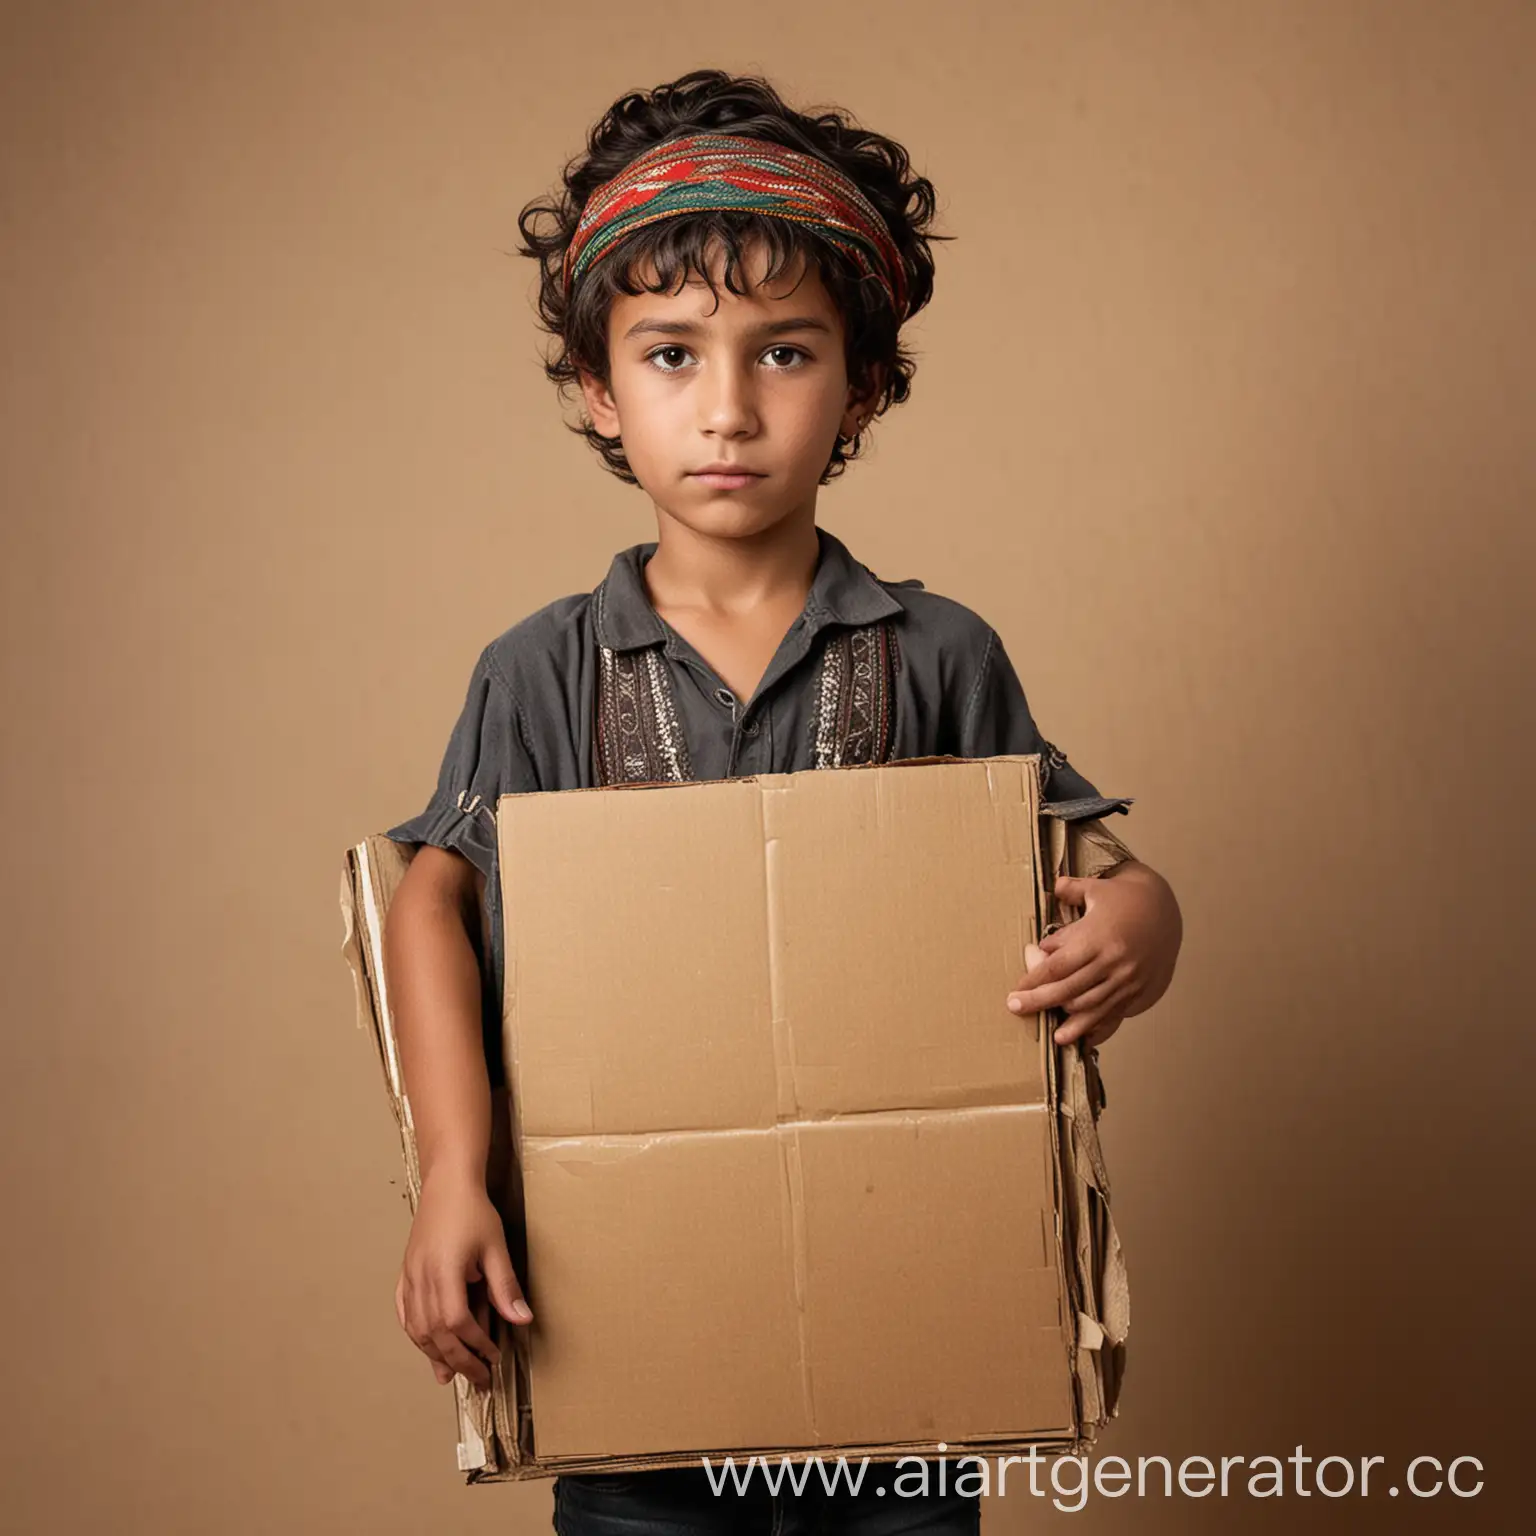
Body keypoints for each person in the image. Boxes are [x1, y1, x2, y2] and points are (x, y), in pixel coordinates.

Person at [381, 67, 1184, 1536]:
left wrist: (1144, 921)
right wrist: (451, 1175)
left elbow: (1089, 862)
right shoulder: (545, 671)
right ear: (597, 390)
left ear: (864, 385)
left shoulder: (941, 656)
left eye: (786, 353)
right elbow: (435, 897)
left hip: (905, 1363)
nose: (730, 409)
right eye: (673, 355)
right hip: (634, 1345)